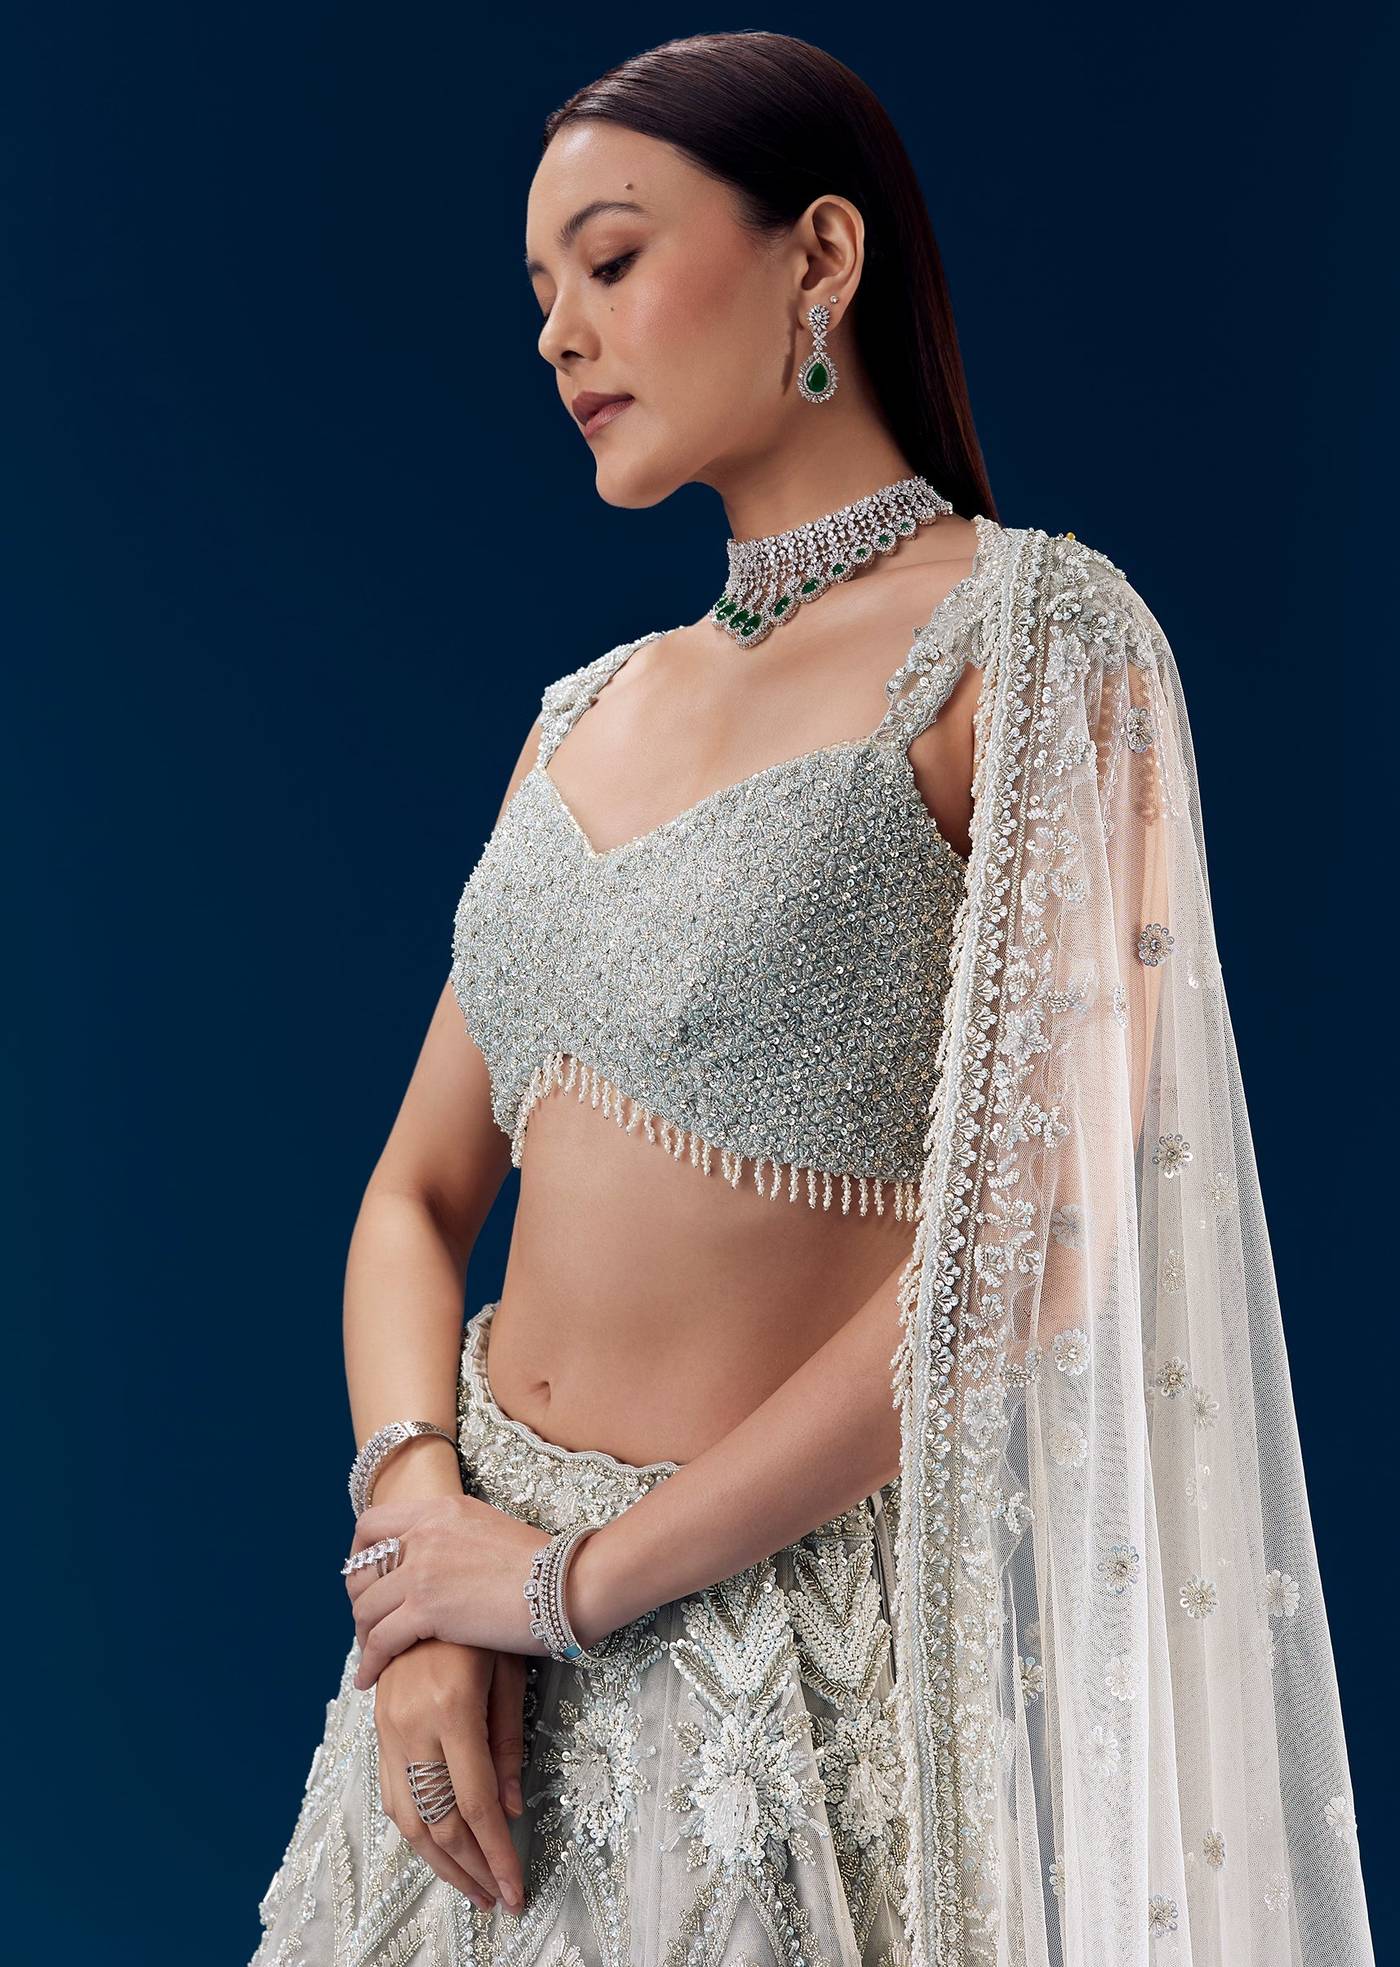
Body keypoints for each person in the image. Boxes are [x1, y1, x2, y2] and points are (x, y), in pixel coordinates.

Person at [249, 30, 1375, 1967]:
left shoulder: (1030, 644)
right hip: (455, 1693)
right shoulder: (580, 716)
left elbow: (1030, 1254)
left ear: (821, 259)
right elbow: (414, 1201)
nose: (558, 333)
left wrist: (571, 1586)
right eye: (539, 290)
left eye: (610, 260)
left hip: (750, 1698)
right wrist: (421, 1569)